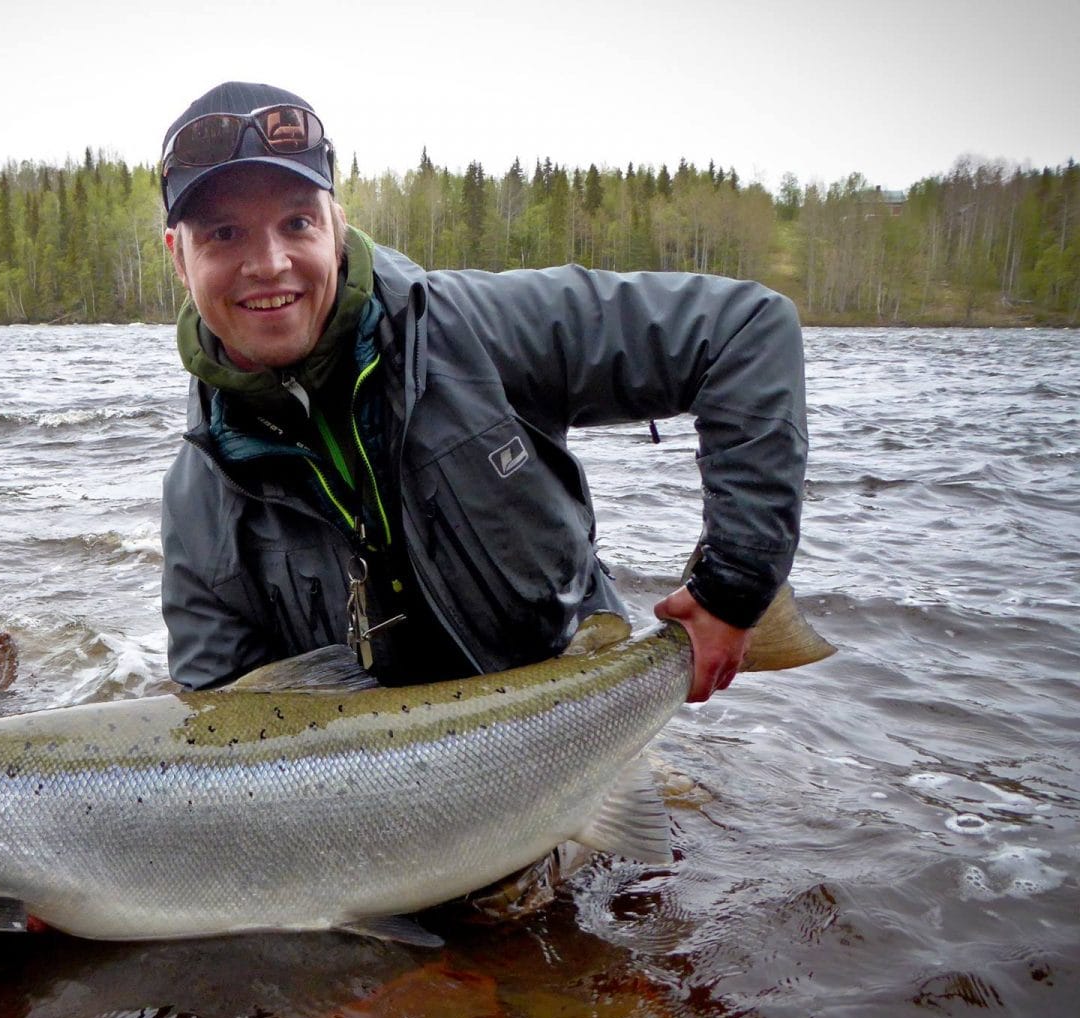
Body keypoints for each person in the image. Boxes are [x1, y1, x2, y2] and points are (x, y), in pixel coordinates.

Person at [156, 80, 808, 919]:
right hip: (380, 807)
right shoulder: (197, 498)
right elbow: (215, 732)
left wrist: (738, 586)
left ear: (337, 225)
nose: (269, 263)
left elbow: (747, 329)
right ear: (179, 256)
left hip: (573, 730)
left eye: (295, 222)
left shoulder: (481, 329)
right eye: (224, 234)